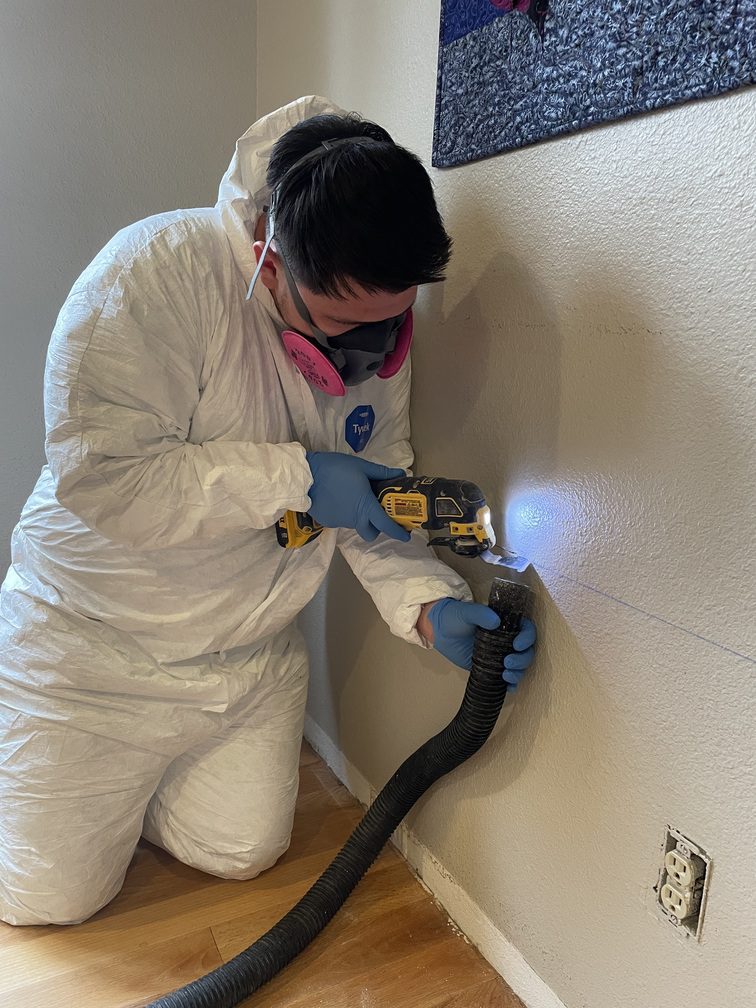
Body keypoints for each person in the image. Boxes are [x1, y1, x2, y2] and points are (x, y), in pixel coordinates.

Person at [0, 96, 536, 927]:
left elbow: (376, 488)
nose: (366, 358)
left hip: (246, 659)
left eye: (387, 328)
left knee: (241, 853)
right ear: (267, 259)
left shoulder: (375, 326)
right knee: (46, 901)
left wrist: (428, 609)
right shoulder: (151, 276)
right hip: (93, 645)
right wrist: (293, 478)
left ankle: (112, 792)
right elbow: (105, 479)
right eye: (339, 327)